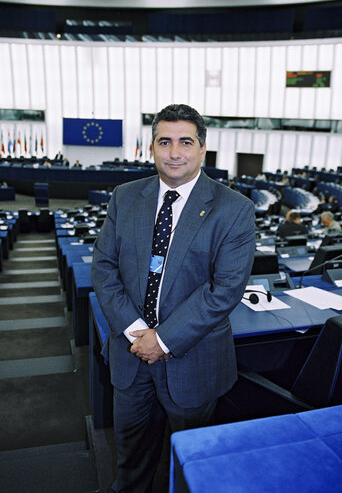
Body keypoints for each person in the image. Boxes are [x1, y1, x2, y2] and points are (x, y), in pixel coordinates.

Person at [91, 103, 256, 493]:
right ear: (152, 148)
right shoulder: (124, 197)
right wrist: (138, 333)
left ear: (202, 149)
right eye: (165, 142)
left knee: (189, 463)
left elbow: (225, 290)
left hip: (192, 362)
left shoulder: (235, 209)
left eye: (186, 142)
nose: (175, 152)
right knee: (130, 458)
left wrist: (162, 340)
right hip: (131, 358)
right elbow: (103, 268)